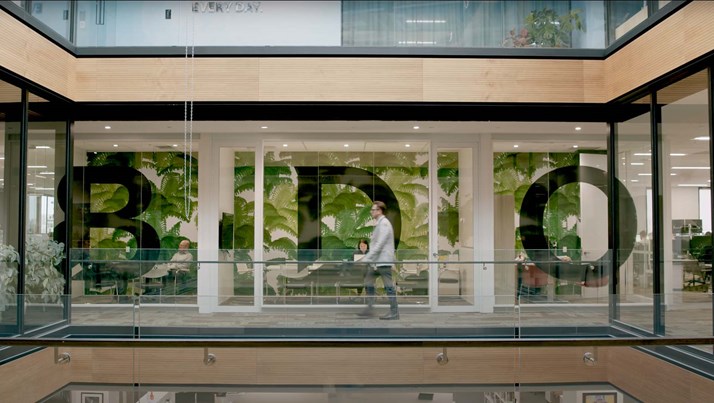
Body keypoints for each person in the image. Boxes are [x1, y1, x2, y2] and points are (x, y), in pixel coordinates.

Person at [357, 201, 399, 320]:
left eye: (373, 209)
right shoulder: (379, 224)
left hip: (383, 262)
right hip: (377, 262)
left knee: (389, 287)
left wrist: (367, 258)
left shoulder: (384, 224)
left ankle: (394, 312)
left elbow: (379, 244)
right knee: (368, 281)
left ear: (379, 211)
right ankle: (370, 308)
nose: (371, 211)